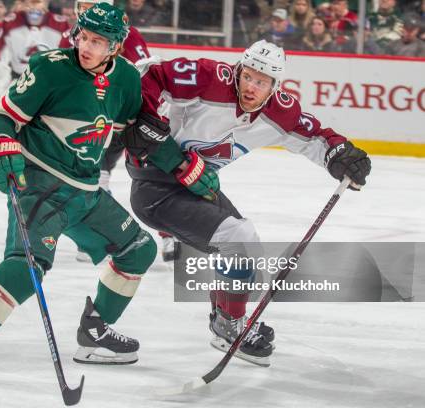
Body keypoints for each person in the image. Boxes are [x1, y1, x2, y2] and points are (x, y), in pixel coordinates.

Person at [0, 3, 158, 383]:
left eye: (98, 41)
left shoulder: (127, 79)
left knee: (140, 249)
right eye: (84, 36)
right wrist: (2, 146)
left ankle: (94, 331)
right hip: (40, 186)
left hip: (85, 191)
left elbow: (132, 129)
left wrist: (169, 157)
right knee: (25, 268)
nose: (87, 46)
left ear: (115, 47)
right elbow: (0, 114)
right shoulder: (51, 67)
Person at [122, 40, 371, 366]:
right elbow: (153, 76)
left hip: (197, 189)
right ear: (239, 70)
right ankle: (229, 326)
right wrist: (148, 119)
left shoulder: (280, 112)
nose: (251, 87)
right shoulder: (207, 77)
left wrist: (340, 155)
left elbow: (315, 135)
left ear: (274, 86)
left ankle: (225, 320)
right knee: (239, 239)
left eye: (262, 81)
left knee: (244, 249)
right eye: (248, 76)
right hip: (155, 188)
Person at [58, 0, 156, 262]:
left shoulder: (128, 34)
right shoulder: (71, 35)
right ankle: (94, 236)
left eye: (94, 5)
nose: (89, 11)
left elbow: (142, 74)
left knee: (144, 175)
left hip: (113, 118)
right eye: (85, 5)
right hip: (80, 121)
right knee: (85, 178)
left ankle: (166, 237)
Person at [0, 0, 70, 157]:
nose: (34, 5)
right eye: (30, 1)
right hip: (20, 81)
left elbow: (67, 57)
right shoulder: (11, 21)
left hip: (48, 84)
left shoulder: (60, 24)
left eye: (38, 1)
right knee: (2, 113)